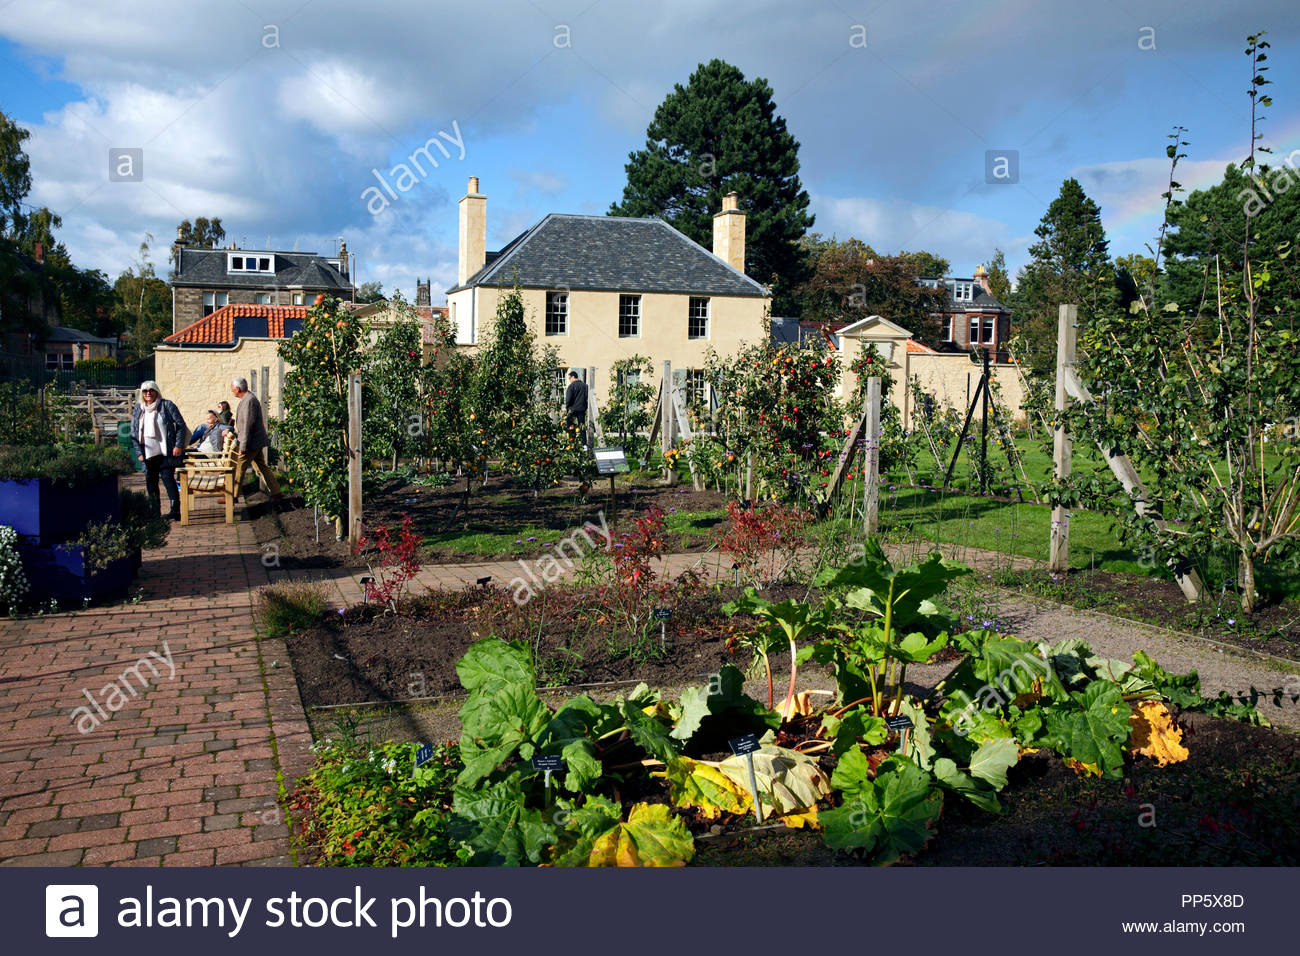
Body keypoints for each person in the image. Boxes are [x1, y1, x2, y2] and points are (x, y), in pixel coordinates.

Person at [130, 380, 187, 520]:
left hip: (165, 450)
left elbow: (180, 425)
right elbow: (133, 432)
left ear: (156, 391)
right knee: (151, 483)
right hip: (147, 453)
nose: (148, 393)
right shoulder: (139, 408)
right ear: (142, 394)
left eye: (151, 390)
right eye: (145, 391)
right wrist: (138, 452)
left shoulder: (167, 405)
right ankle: (155, 512)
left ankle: (175, 510)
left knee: (168, 480)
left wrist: (178, 445)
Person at [229, 376, 285, 503]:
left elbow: (248, 424)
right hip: (255, 442)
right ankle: (277, 493)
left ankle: (233, 496)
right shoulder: (247, 399)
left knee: (239, 467)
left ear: (238, 388)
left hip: (251, 443)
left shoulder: (249, 400)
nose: (232, 390)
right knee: (261, 467)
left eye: (232, 388)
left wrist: (242, 446)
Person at [564, 370, 587, 447]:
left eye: (570, 378)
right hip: (581, 409)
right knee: (582, 427)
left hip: (572, 409)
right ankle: (584, 444)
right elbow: (587, 398)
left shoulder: (571, 386)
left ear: (573, 377)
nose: (570, 380)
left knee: (570, 426)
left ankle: (571, 442)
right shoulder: (585, 386)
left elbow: (568, 399)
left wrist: (567, 408)